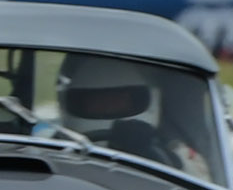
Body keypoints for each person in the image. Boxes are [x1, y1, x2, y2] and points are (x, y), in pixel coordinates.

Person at [55, 52, 209, 177]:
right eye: (98, 103)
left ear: (148, 99)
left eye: (118, 102)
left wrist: (159, 160)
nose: (109, 109)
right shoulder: (54, 150)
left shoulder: (177, 156)